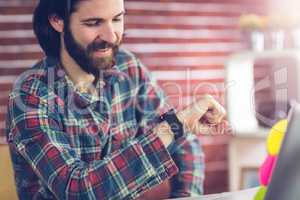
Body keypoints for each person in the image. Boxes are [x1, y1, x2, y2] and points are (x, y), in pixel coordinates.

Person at [5, 0, 226, 199]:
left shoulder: (128, 67)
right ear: (57, 20)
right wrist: (173, 127)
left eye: (117, 18)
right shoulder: (30, 96)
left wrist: (186, 195)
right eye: (93, 23)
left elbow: (184, 143)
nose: (111, 36)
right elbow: (78, 191)